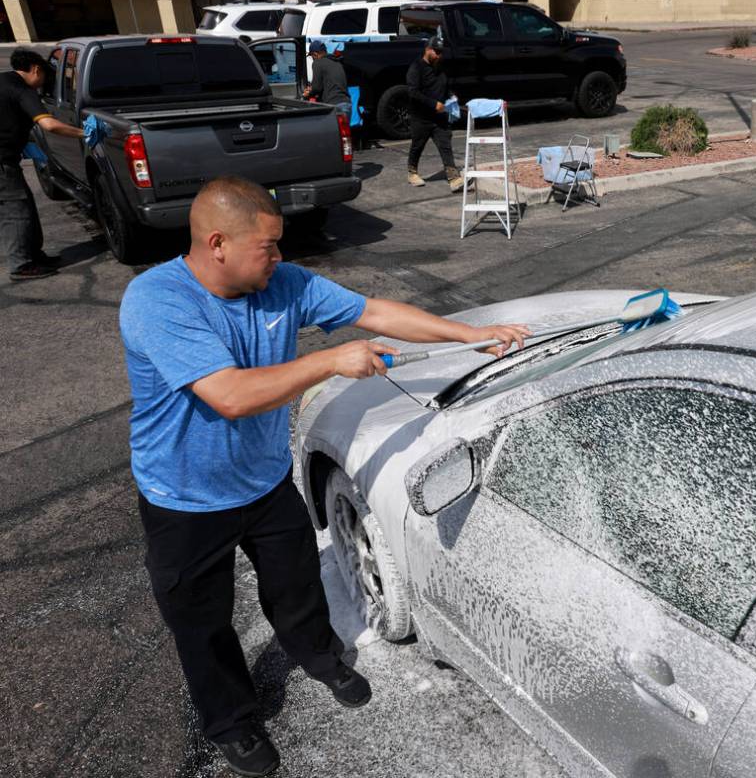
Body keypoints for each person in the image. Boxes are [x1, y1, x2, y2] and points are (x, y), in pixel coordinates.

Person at [119, 175, 528, 777]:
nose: (280, 258)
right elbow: (228, 394)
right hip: (183, 498)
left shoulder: (282, 284)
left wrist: (471, 335)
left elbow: (375, 312)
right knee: (201, 624)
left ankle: (319, 656)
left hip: (262, 482)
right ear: (217, 244)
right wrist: (329, 360)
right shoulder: (158, 301)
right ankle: (233, 720)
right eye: (268, 246)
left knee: (297, 586)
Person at [2, 49, 85, 281]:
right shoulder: (21, 90)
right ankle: (21, 264)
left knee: (24, 205)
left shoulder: (4, 80)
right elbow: (49, 124)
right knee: (16, 211)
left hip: (7, 158)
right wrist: (84, 133)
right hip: (2, 162)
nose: (43, 86)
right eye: (45, 79)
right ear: (36, 69)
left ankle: (33, 255)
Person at [405, 36, 462, 192]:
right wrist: (432, 103)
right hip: (421, 116)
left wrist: (451, 96)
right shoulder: (416, 67)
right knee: (418, 145)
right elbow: (413, 92)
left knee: (445, 145)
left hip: (439, 117)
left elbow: (445, 86)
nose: (439, 55)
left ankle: (454, 178)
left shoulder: (440, 68)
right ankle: (412, 172)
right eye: (436, 52)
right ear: (427, 50)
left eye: (441, 52)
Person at [302, 40, 351, 120]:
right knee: (343, 132)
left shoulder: (318, 63)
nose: (312, 59)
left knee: (329, 132)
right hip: (347, 104)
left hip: (334, 106)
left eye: (312, 56)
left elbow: (316, 88)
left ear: (315, 54)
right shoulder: (337, 63)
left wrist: (308, 93)